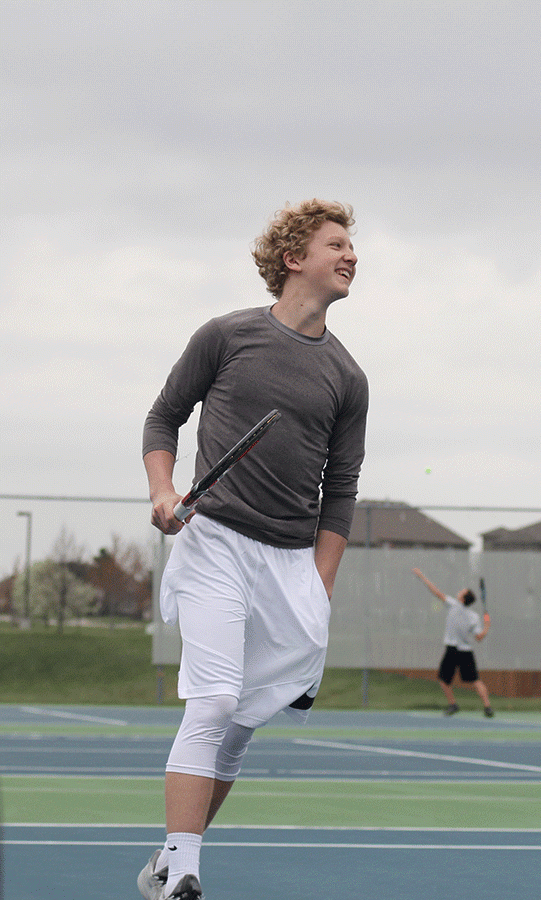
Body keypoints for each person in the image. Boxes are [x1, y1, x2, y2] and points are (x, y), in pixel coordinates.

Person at [138, 200, 368, 900]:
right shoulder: (226, 335)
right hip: (214, 547)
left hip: (291, 565)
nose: (352, 254)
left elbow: (342, 490)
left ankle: (169, 854)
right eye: (337, 244)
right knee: (211, 704)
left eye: (353, 246)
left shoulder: (349, 378)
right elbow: (163, 417)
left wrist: (318, 582)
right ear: (294, 258)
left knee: (239, 728)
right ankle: (183, 870)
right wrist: (163, 490)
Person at [411, 567, 494, 718]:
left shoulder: (453, 605)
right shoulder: (474, 617)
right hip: (466, 651)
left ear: (462, 599)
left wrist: (422, 577)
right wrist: (487, 627)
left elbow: (436, 592)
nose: (460, 591)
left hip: (452, 650)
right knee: (475, 680)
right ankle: (487, 707)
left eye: (462, 591)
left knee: (443, 679)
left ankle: (453, 704)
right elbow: (479, 638)